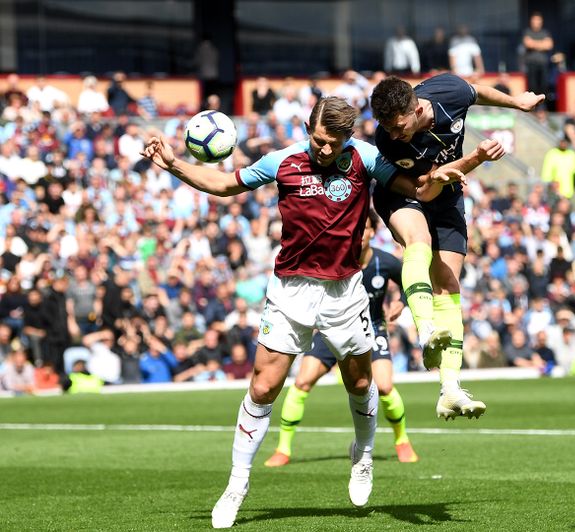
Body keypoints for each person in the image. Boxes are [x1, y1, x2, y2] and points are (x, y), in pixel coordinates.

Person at [140, 96, 463, 528]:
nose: (325, 149)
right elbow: (225, 184)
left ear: (348, 138)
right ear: (308, 129)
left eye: (334, 143)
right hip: (291, 290)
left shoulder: (365, 158)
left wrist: (444, 174)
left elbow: (416, 188)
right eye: (319, 139)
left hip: (344, 291)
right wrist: (174, 164)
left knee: (361, 382)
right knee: (262, 387)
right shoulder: (283, 161)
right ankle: (237, 484)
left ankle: (363, 455)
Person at [370, 74, 543, 420]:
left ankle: (450, 389)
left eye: (398, 126)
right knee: (418, 241)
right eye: (387, 128)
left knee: (448, 286)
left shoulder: (449, 91)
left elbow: (477, 92)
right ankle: (425, 330)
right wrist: (476, 158)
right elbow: (424, 189)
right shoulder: (389, 141)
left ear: (417, 110)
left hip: (448, 196)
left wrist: (517, 103)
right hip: (406, 192)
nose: (393, 134)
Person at [264, 210, 420, 467]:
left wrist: (402, 302)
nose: (359, 235)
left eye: (364, 229)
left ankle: (402, 441)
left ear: (372, 232)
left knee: (384, 387)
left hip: (372, 329)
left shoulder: (385, 262)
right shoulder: (334, 259)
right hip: (332, 328)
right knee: (302, 382)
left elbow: (409, 280)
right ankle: (283, 449)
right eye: (354, 229)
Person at [522, 12, 554, 97]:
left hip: (543, 64)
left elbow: (549, 45)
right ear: (531, 21)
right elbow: (528, 43)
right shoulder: (527, 32)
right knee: (532, 87)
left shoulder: (545, 32)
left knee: (544, 86)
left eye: (538, 20)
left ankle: (543, 104)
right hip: (531, 64)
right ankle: (533, 104)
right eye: (534, 20)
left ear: (541, 21)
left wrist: (534, 44)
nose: (536, 22)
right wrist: (542, 44)